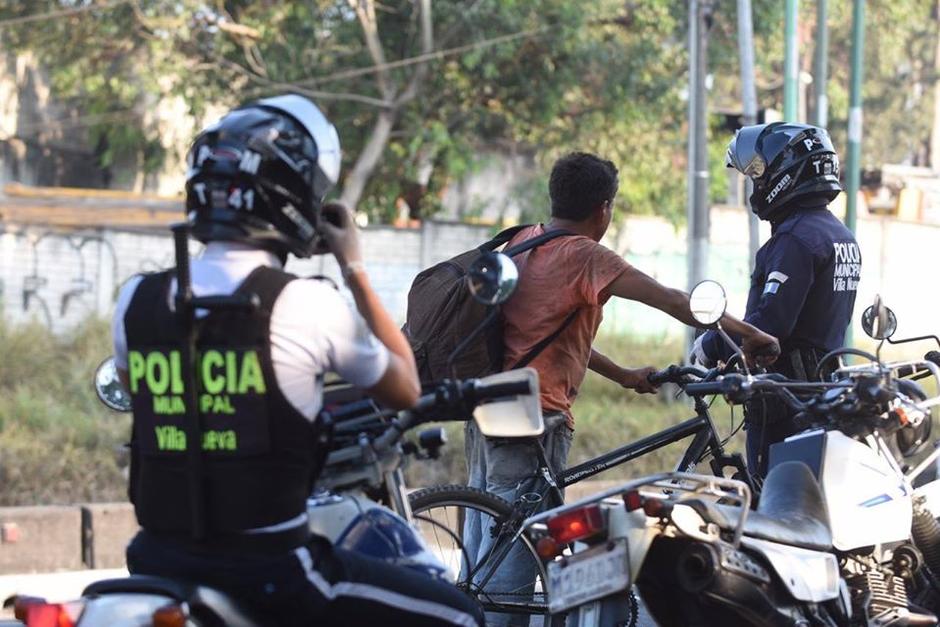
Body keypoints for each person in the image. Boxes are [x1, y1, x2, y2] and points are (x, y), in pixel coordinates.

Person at [111, 94, 483, 627]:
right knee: (461, 616)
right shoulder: (305, 303)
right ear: (295, 200)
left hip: (153, 557)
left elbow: (148, 399)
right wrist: (353, 266)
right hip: (270, 571)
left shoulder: (136, 300)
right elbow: (405, 387)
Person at [462, 151, 780, 625]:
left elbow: (543, 336)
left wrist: (625, 376)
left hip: (487, 408)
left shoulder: (524, 243)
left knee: (481, 544)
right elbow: (674, 301)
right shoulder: (585, 256)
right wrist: (749, 334)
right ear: (604, 208)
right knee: (514, 561)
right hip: (534, 419)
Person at [695, 122, 860, 479]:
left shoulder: (795, 239)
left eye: (758, 174)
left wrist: (710, 344)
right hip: (822, 391)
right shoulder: (840, 235)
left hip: (784, 399)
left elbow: (770, 324)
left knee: (770, 502)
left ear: (784, 174)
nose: (756, 184)